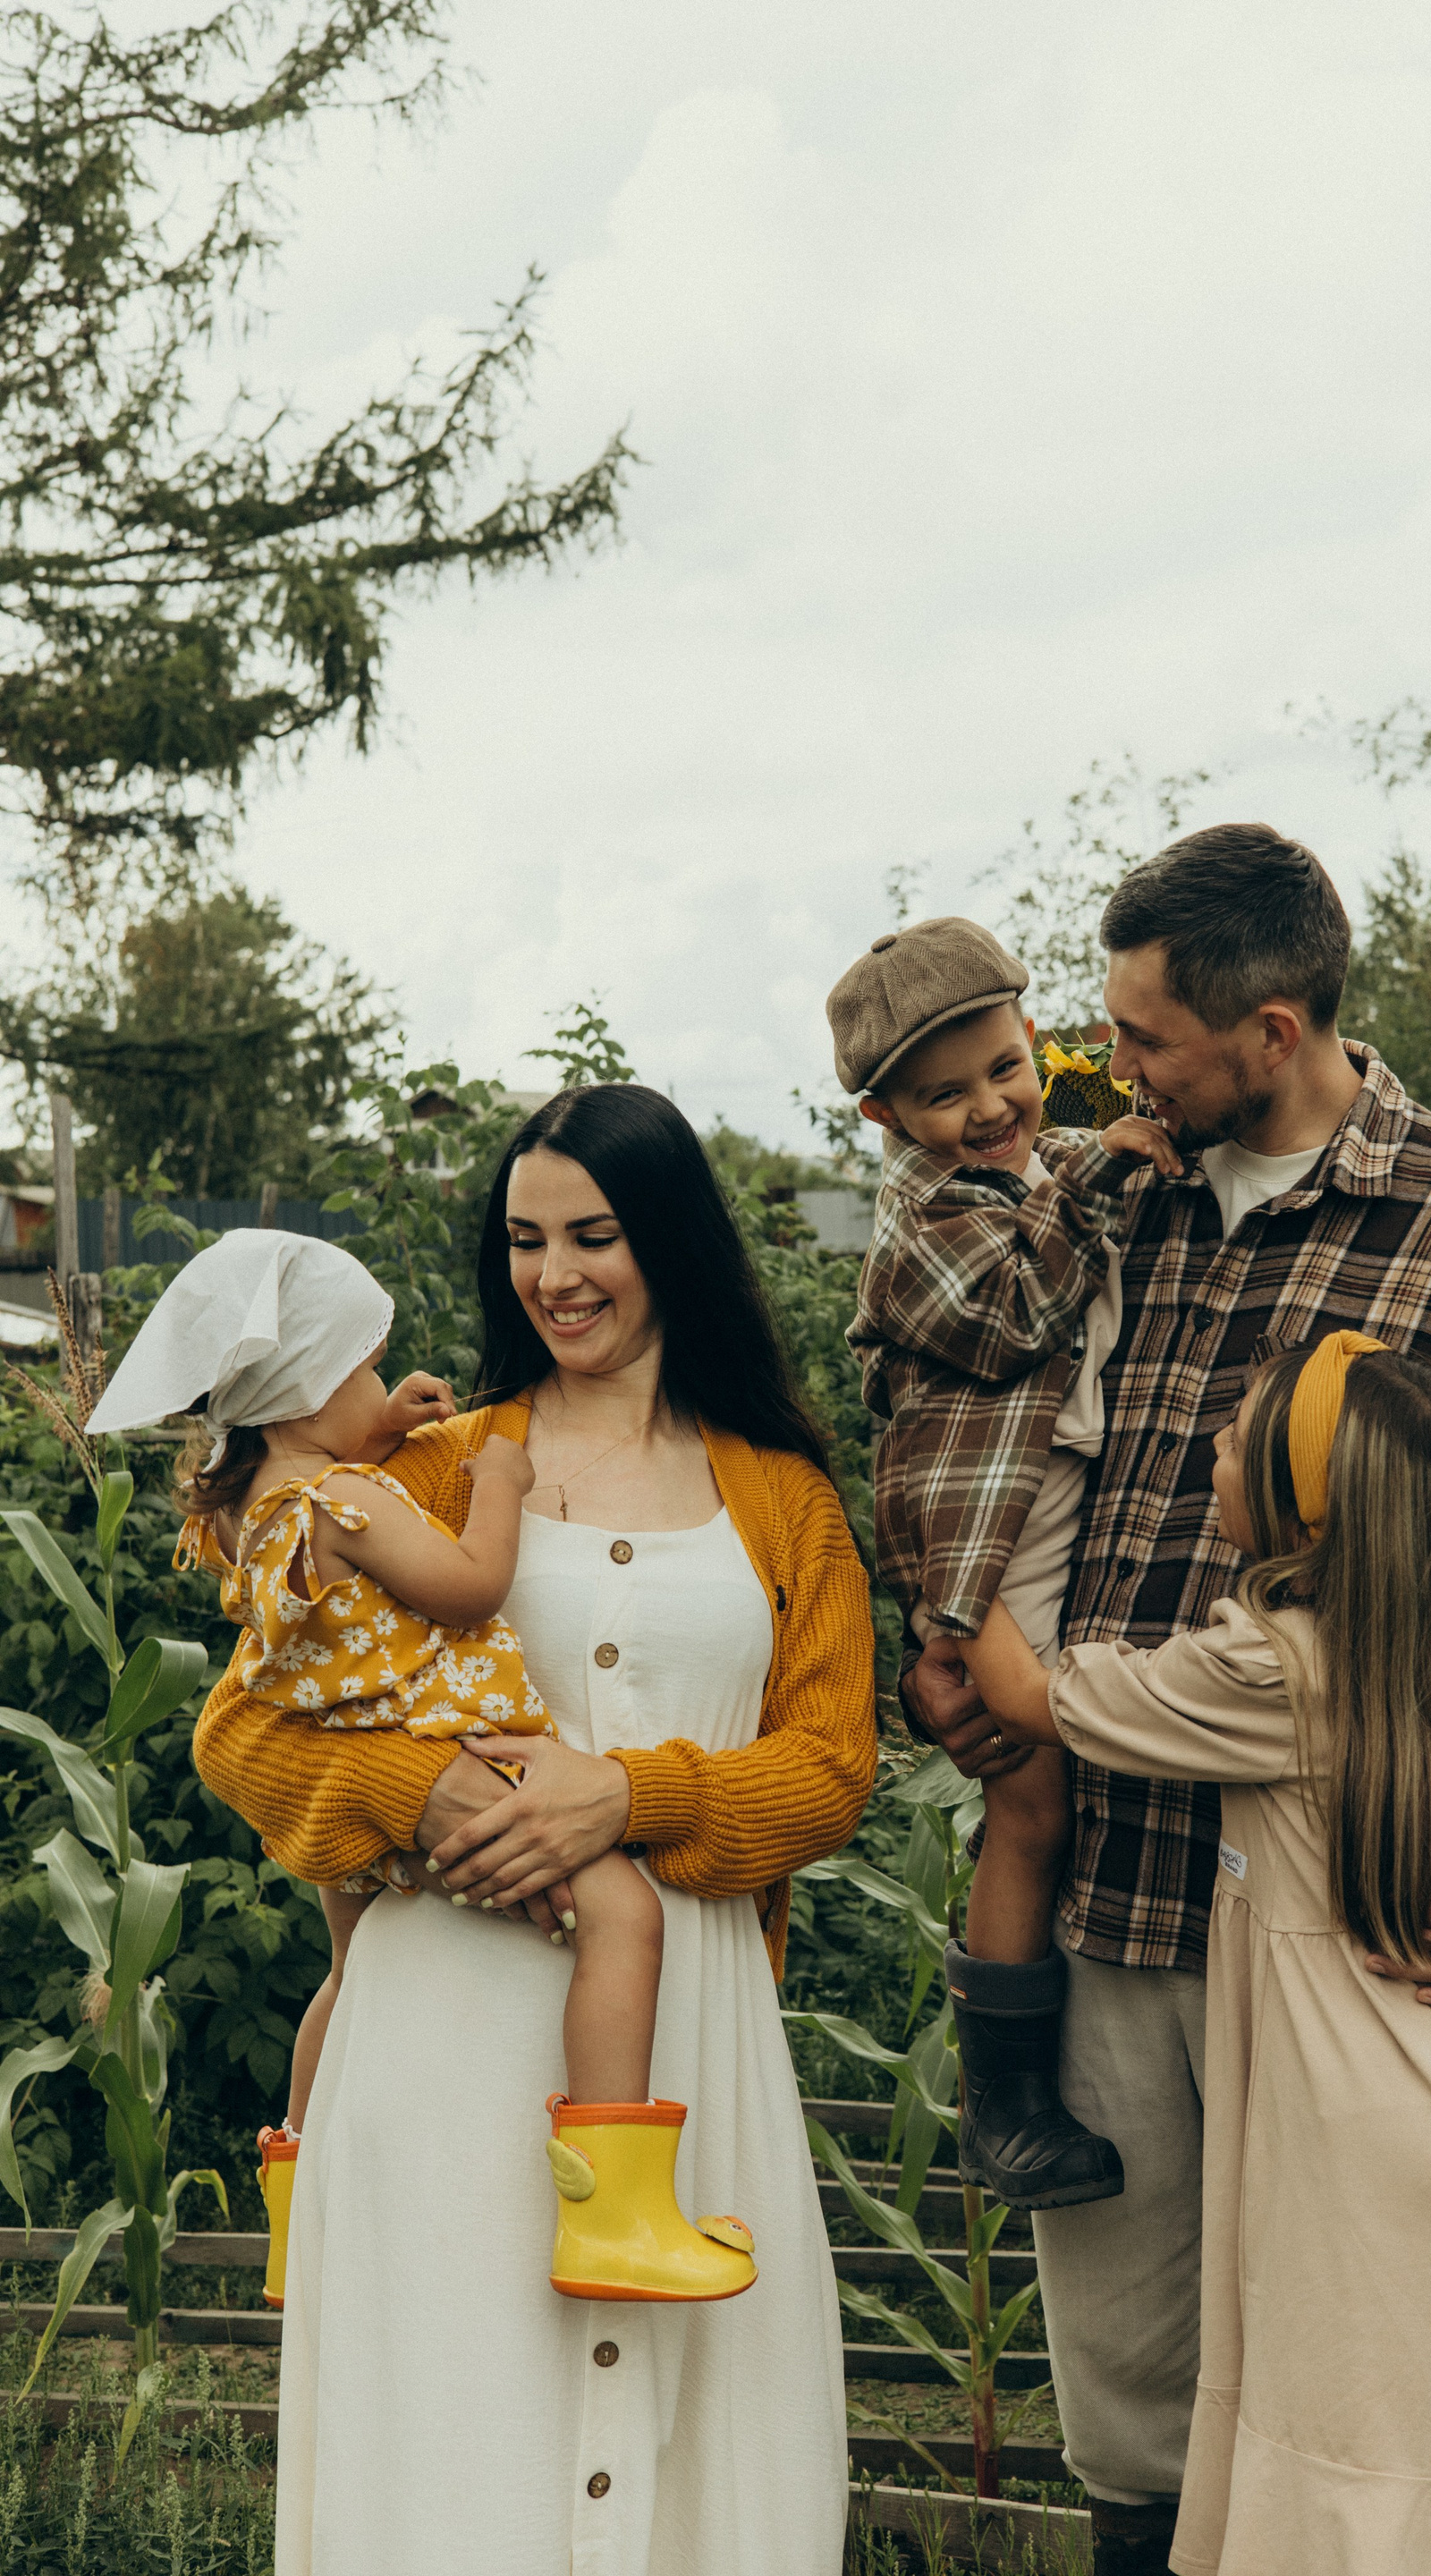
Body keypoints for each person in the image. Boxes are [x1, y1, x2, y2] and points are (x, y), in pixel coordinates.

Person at [902, 823, 1431, 2576]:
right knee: (1136, 2422)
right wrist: (946, 1652)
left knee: (1360, 2411)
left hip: (1353, 1946)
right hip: (1115, 1900)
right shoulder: (1115, 1203)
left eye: (1150, 1040)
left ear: (1273, 1030)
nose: (1115, 1069)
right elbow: (987, 1438)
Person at [185, 1085, 876, 2576]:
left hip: (681, 2044)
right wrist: (419, 1796)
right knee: (455, 2470)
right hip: (446, 2042)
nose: (554, 1275)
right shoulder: (430, 1465)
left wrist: (631, 1795)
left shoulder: (784, 1499)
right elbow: (241, 1732)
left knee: (714, 2485)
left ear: (671, 1242)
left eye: (593, 1236)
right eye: (523, 1240)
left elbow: (830, 1772)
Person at [970, 1330, 1431, 2575]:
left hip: (1359, 2127)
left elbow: (1021, 1692)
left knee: (1351, 2453)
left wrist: (953, 1546)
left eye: (1234, 1443)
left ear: (1303, 1504)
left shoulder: (1269, 1668)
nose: (1211, 1452)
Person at [93, 1229, 750, 2314]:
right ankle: (614, 2217)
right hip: (448, 1751)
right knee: (625, 1918)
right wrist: (499, 1479)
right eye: (364, 1369)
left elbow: (323, 1509)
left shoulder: (255, 1510)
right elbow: (470, 1584)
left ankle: (296, 2220)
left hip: (350, 1779)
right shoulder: (353, 1505)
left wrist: (380, 1423)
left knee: (349, 1975)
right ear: (306, 1388)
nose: (382, 1386)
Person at [827, 915, 1181, 2206]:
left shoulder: (1045, 1149)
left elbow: (1115, 1135)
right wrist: (1095, 1180)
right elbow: (1017, 1312)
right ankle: (1005, 2103)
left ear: (1035, 1042)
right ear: (885, 1116)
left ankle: (1031, 2075)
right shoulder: (922, 1218)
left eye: (1004, 1070)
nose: (988, 1109)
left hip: (1050, 1499)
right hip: (991, 1531)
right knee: (1031, 1799)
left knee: (1059, 1784)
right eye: (943, 1095)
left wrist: (1121, 1136)